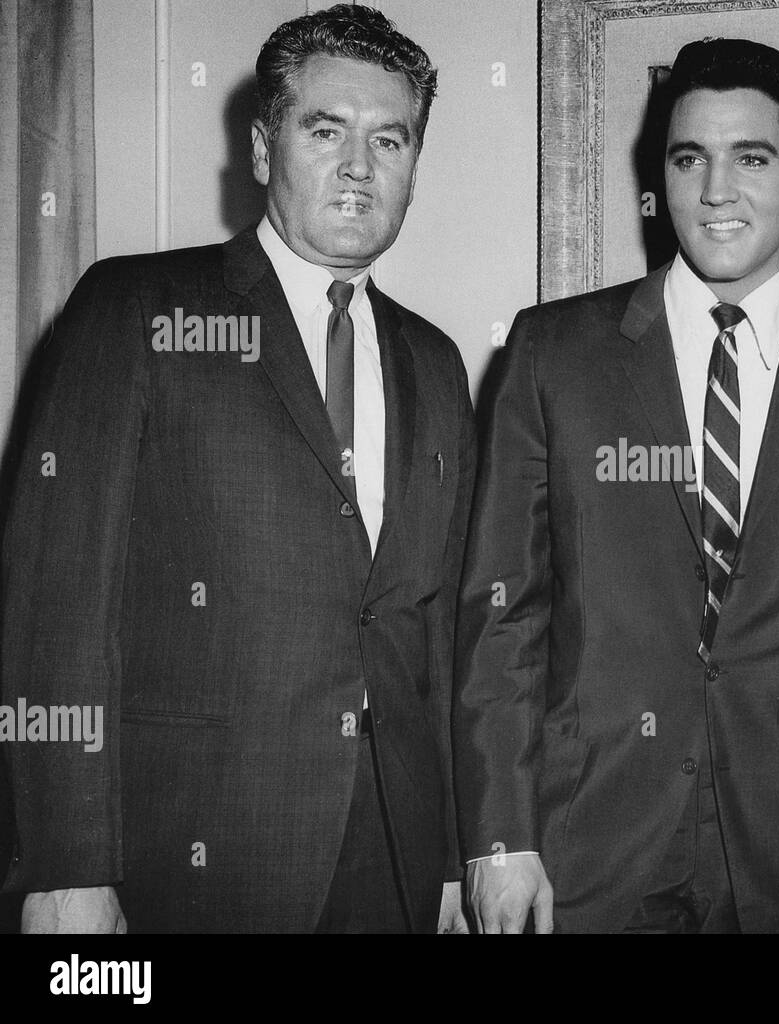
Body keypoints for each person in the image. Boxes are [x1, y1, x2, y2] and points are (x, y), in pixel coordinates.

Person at [1, 4, 473, 933]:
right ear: (262, 150)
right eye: (325, 129)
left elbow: (438, 631)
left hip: (394, 857)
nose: (357, 167)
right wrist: (64, 866)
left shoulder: (437, 360)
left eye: (391, 139)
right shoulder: (136, 307)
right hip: (187, 854)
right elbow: (54, 601)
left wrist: (452, 854)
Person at [455, 37, 779, 934]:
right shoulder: (553, 353)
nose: (715, 191)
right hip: (587, 840)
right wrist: (497, 839)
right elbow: (499, 615)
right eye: (689, 158)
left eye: (752, 158)